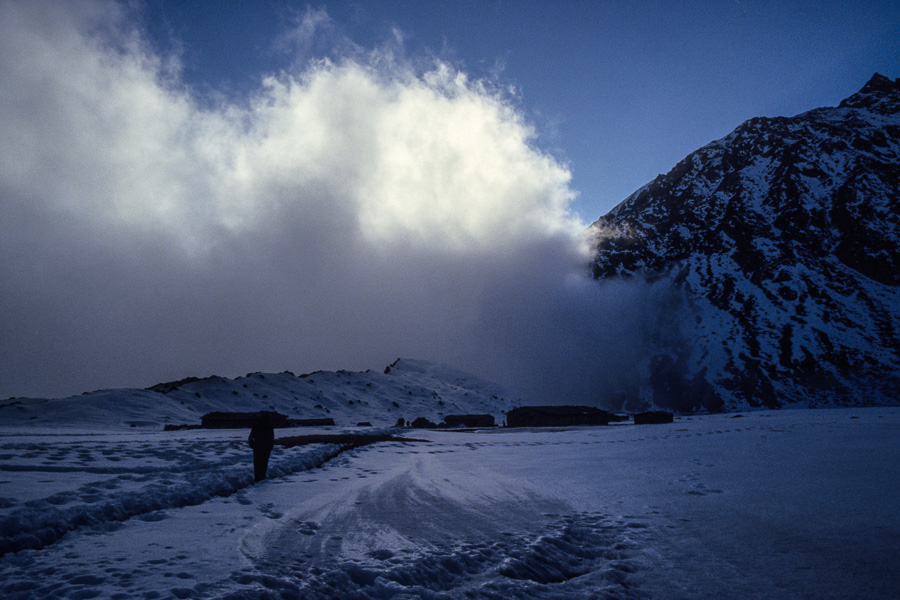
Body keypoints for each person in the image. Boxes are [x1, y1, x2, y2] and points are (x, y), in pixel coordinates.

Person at [248, 413, 275, 482]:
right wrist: (270, 446)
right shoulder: (269, 426)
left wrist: (252, 444)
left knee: (257, 463)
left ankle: (257, 477)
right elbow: (271, 438)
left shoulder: (256, 425)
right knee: (264, 463)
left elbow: (251, 437)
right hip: (265, 447)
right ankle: (261, 477)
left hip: (257, 446)